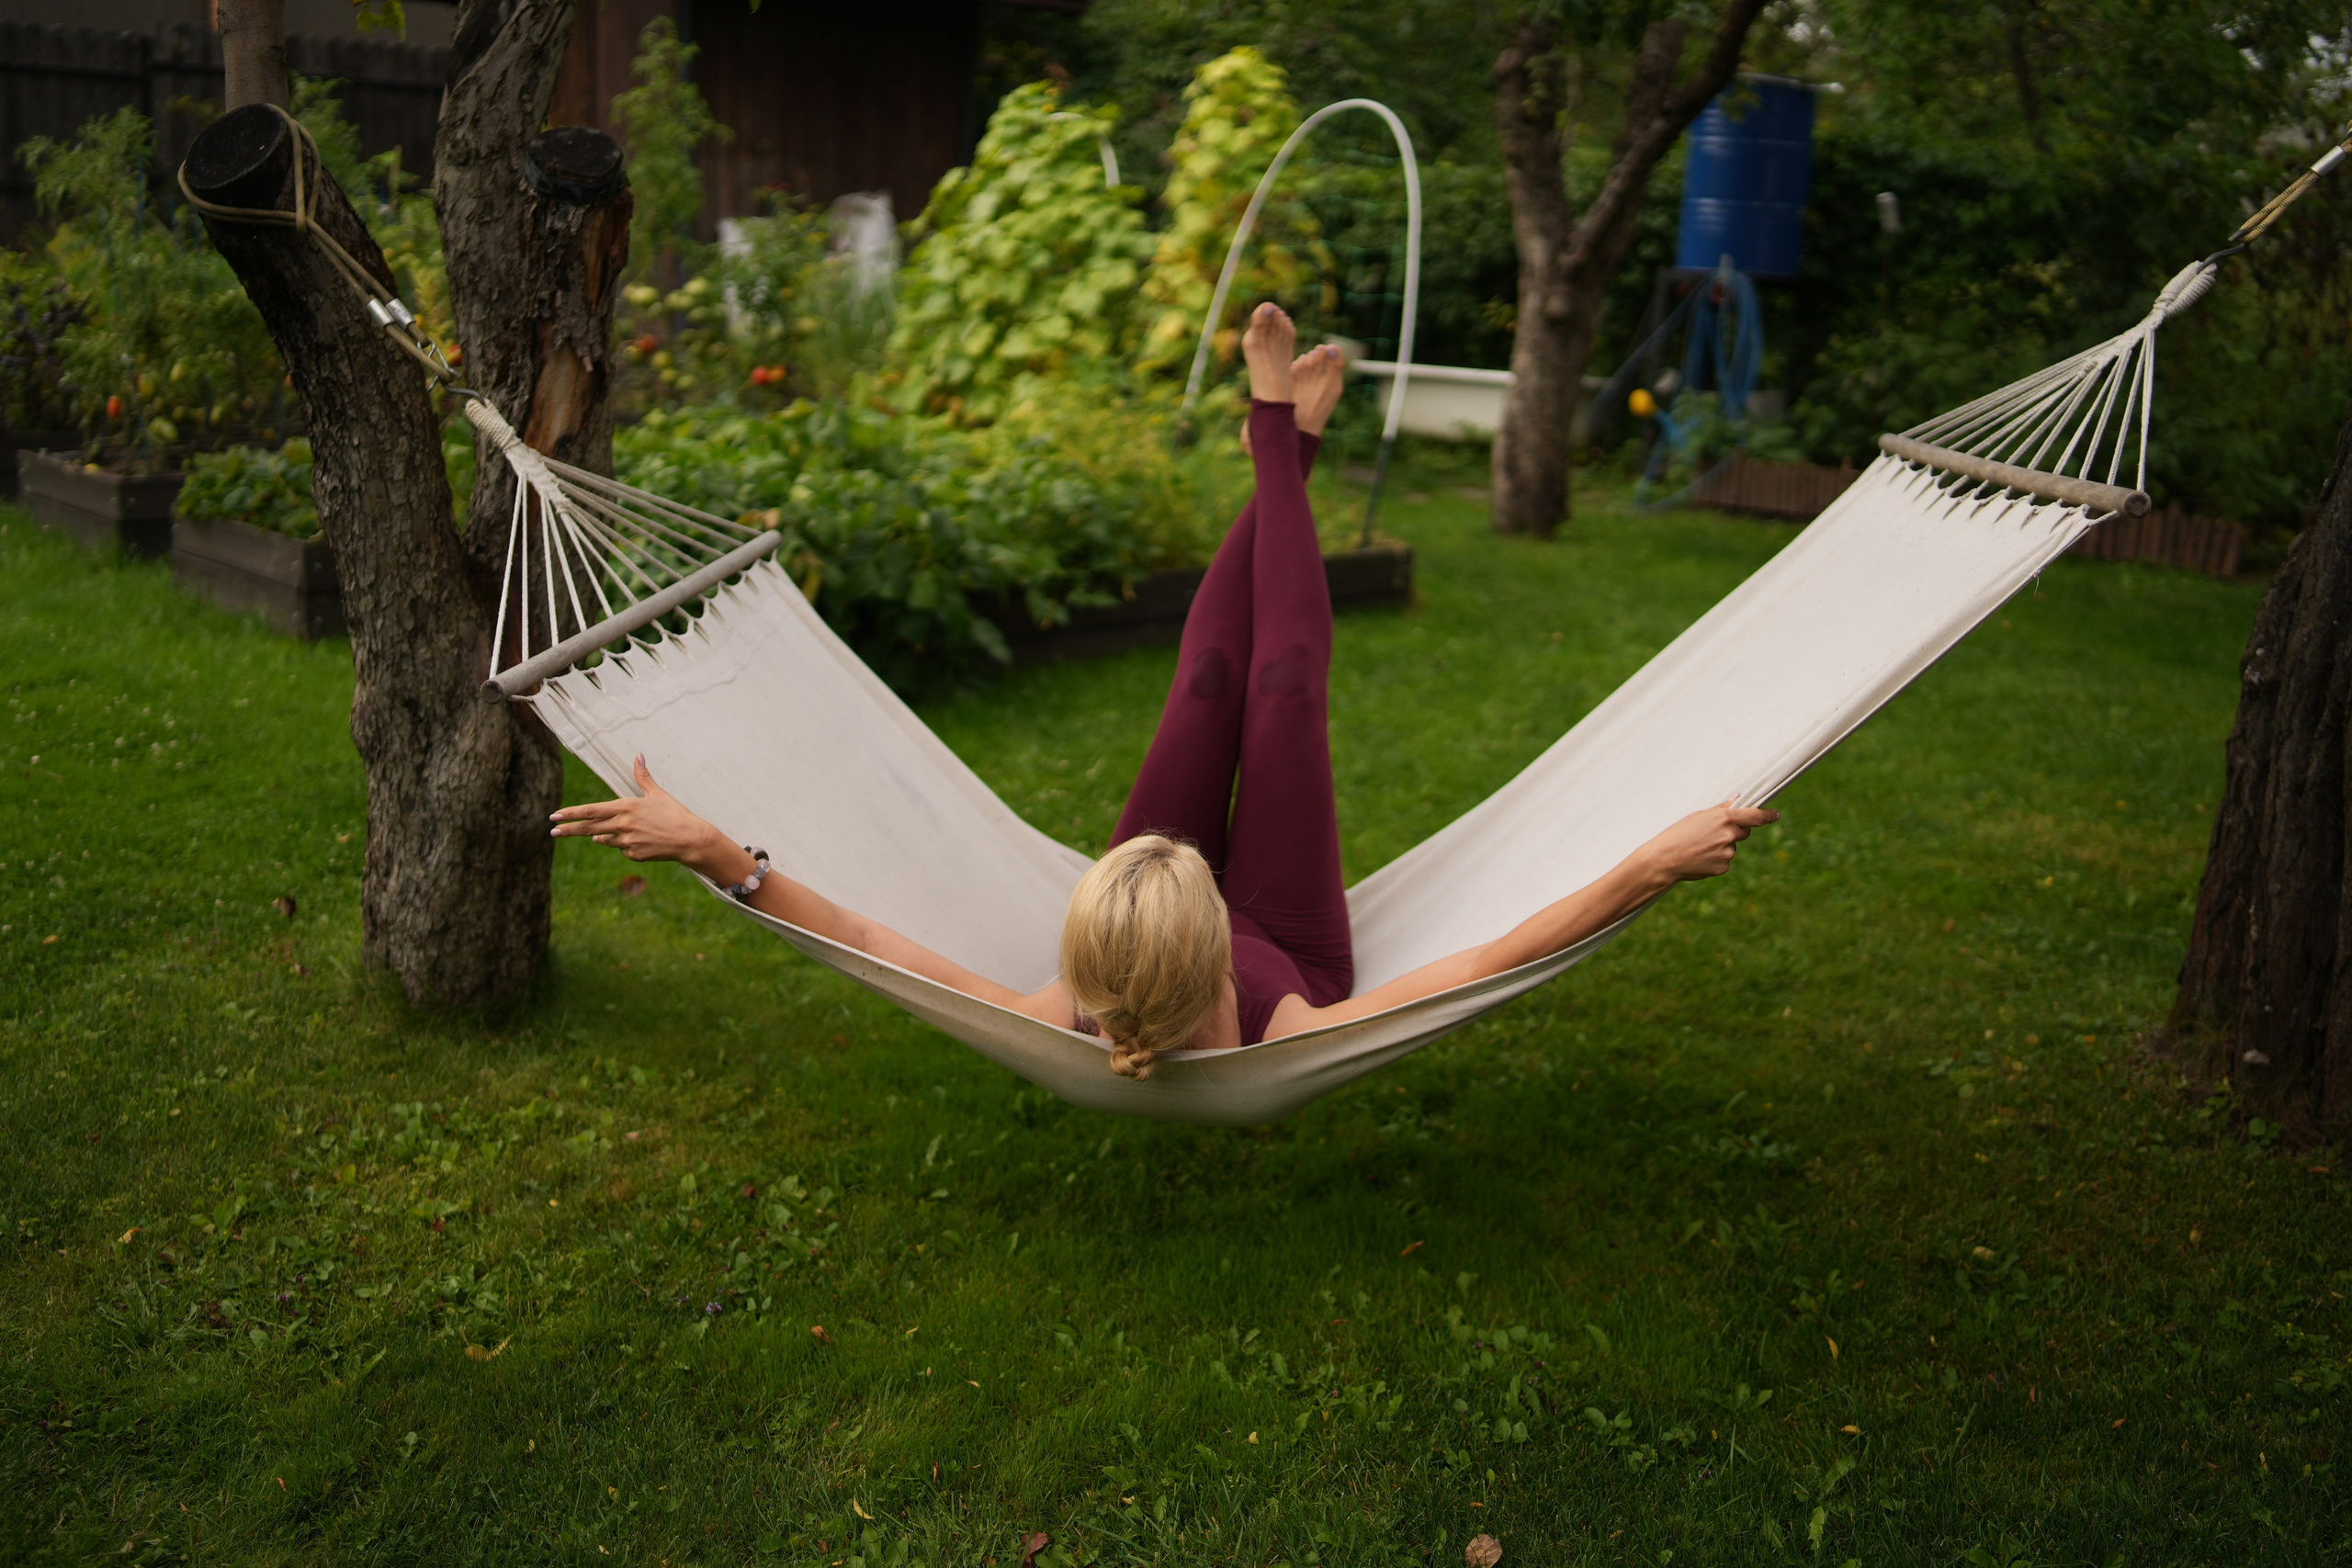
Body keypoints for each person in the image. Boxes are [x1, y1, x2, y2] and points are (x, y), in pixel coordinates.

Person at [550, 303, 1778, 1078]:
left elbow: (874, 938)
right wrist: (1647, 865)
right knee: (1283, 689)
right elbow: (1486, 960)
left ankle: (1279, 444)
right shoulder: (1280, 1022)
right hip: (1293, 934)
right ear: (1196, 962)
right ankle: (1279, 447)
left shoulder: (1073, 995)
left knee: (1205, 683)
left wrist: (720, 853)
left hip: (1154, 924)